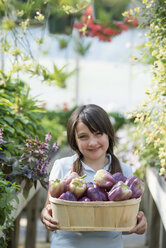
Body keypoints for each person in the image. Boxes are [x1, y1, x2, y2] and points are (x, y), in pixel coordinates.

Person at [41, 104, 147, 248]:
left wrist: (138, 224)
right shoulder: (62, 166)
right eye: (83, 136)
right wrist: (46, 218)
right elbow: (48, 209)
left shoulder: (125, 171)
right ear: (74, 140)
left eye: (98, 134)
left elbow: (124, 226)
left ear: (108, 134)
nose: (92, 142)